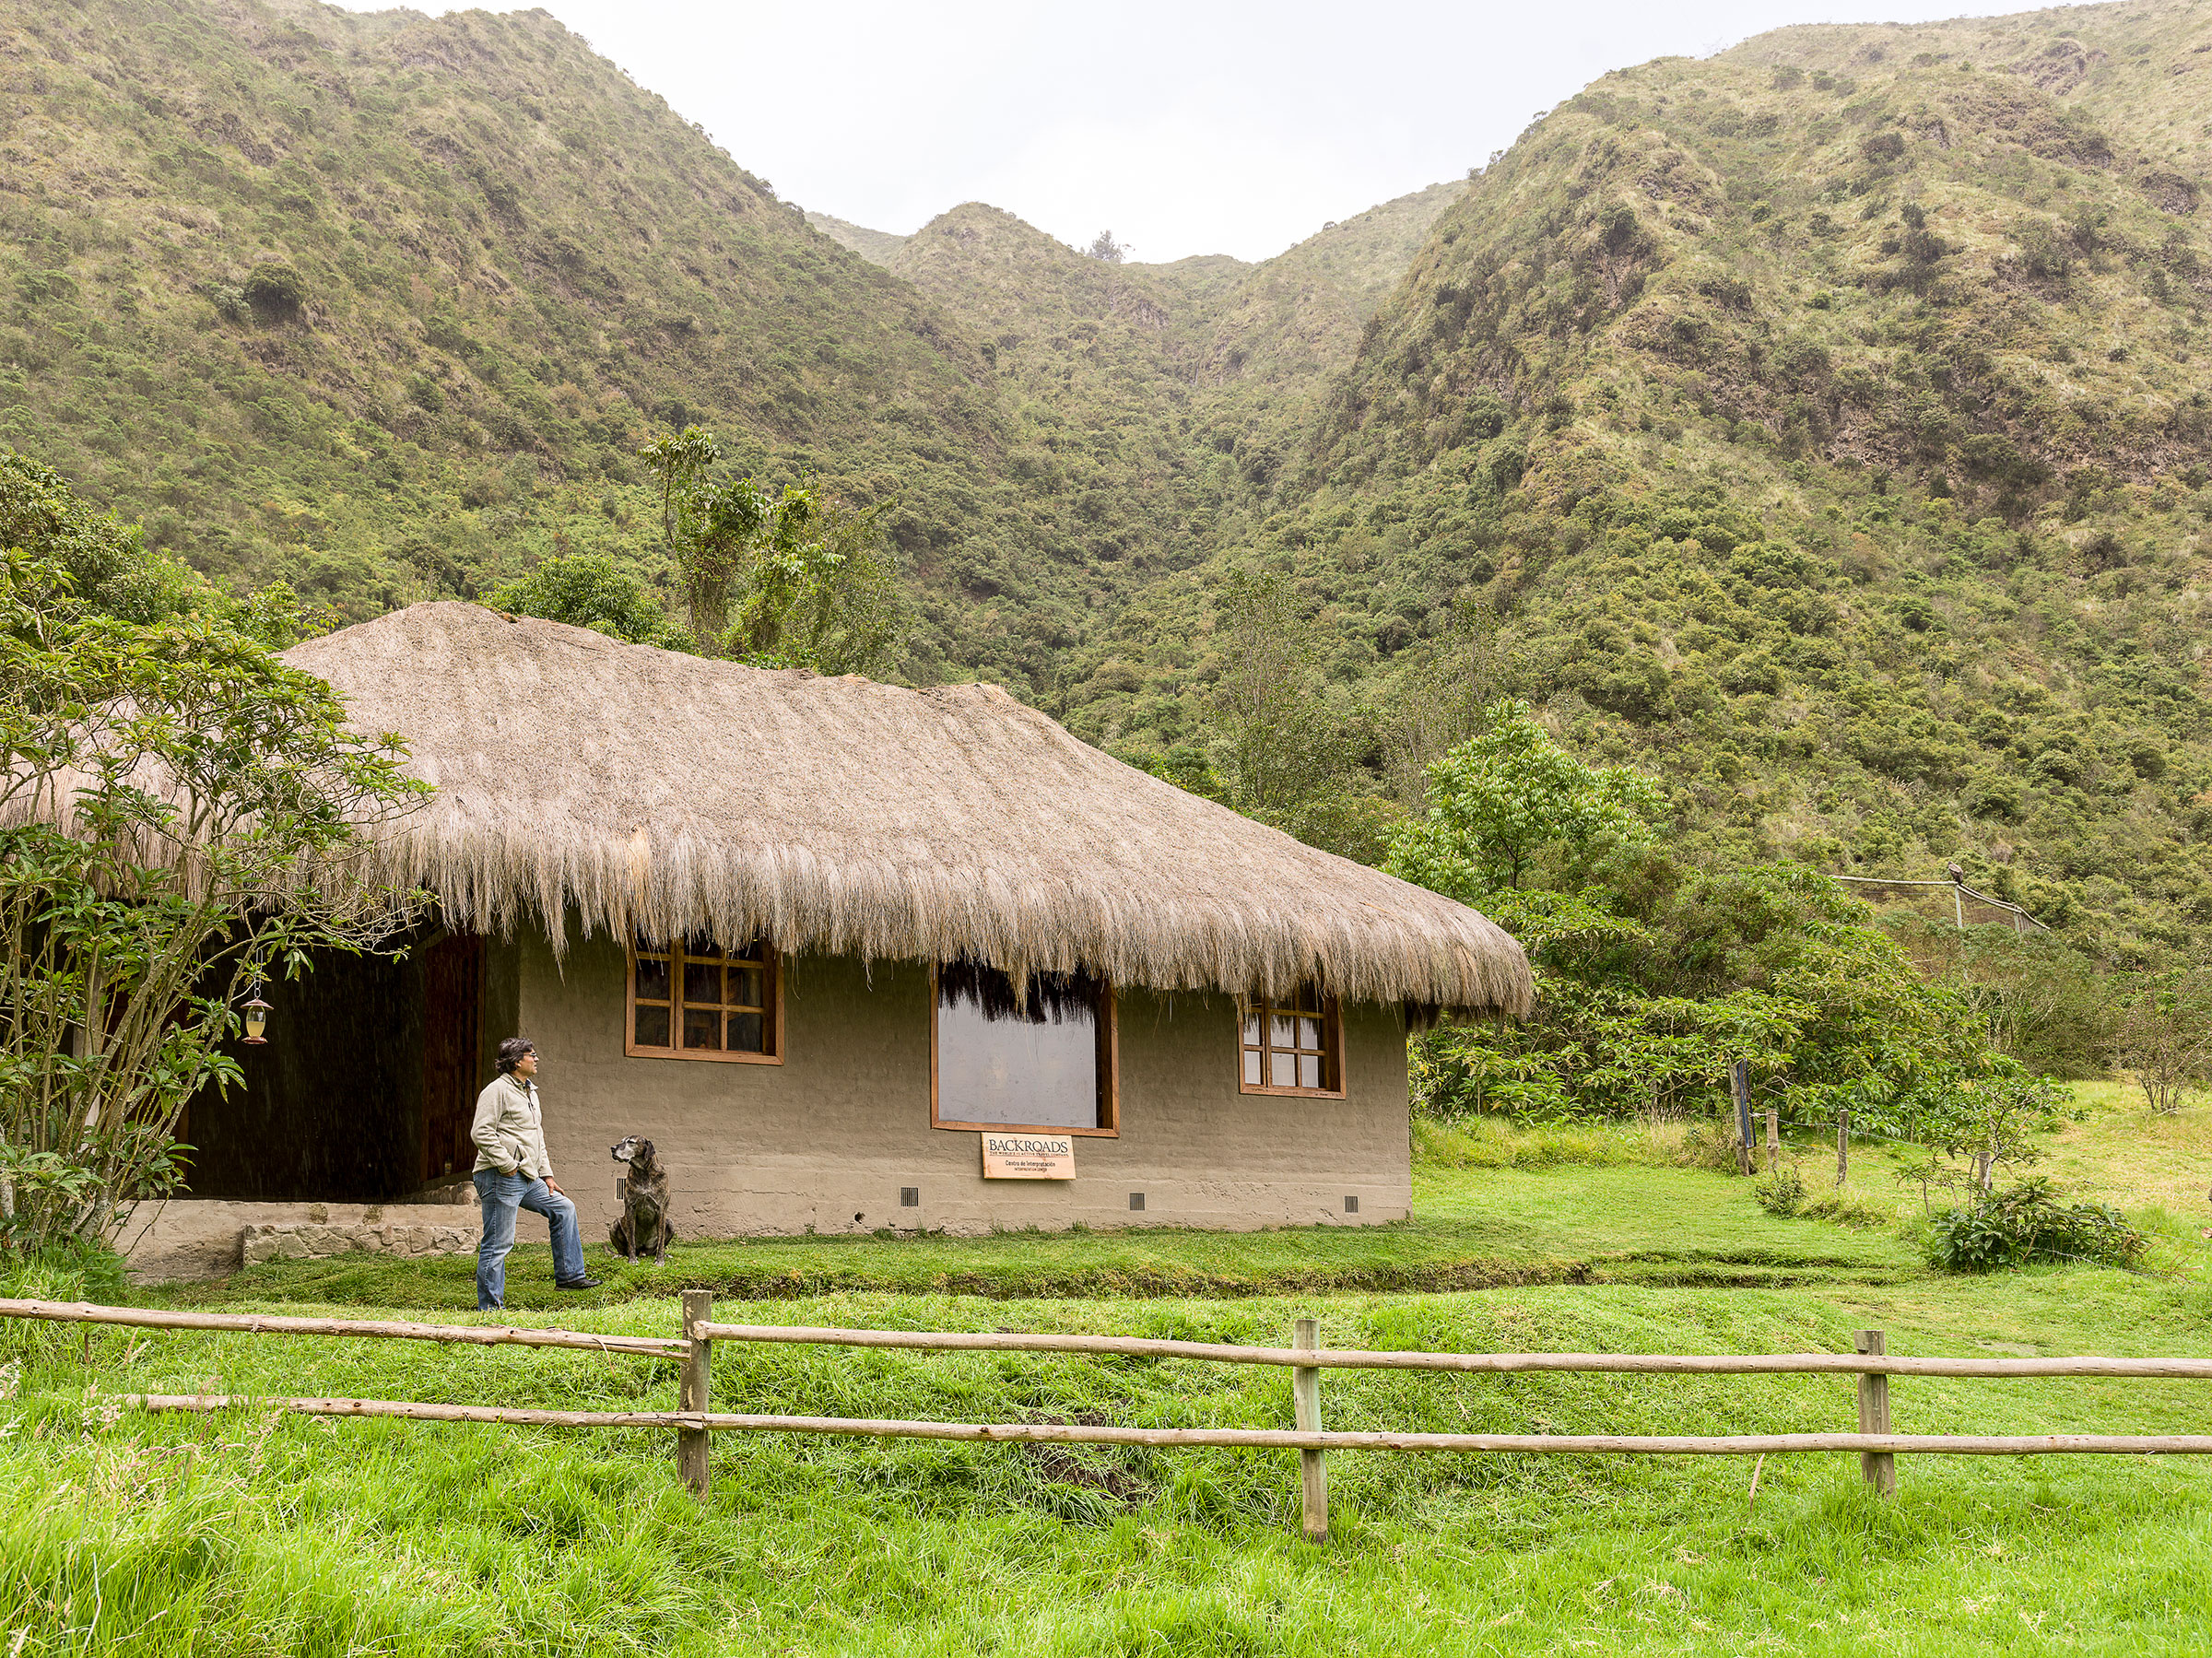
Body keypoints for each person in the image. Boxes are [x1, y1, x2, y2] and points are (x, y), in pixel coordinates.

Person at [471, 1037, 599, 1310]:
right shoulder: (496, 1091)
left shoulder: (530, 1092)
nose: (536, 1058)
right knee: (499, 1242)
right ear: (517, 1062)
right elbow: (480, 1132)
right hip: (500, 1175)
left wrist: (547, 1175)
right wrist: (507, 1164)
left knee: (563, 1208)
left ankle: (570, 1276)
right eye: (532, 1055)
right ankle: (490, 1308)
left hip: (528, 1176)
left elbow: (536, 1137)